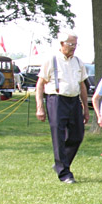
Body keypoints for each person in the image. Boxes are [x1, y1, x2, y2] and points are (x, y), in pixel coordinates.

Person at [35, 32, 90, 184]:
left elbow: (82, 86)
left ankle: (61, 163)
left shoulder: (78, 62)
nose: (73, 48)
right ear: (62, 44)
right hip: (57, 100)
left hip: (74, 100)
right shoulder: (51, 60)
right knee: (58, 135)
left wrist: (85, 108)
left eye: (75, 45)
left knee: (77, 135)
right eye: (71, 44)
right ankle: (64, 173)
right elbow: (40, 84)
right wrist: (40, 107)